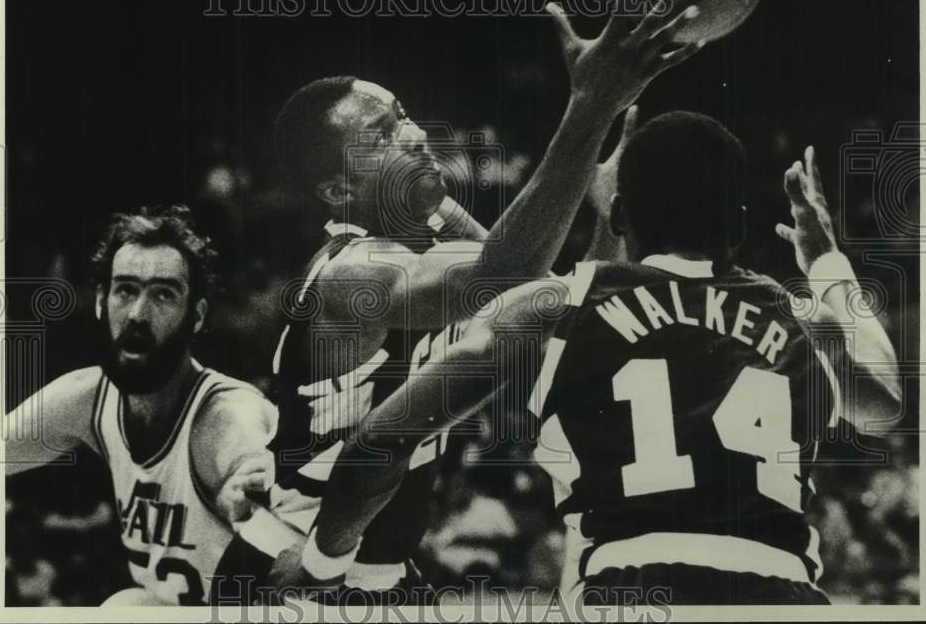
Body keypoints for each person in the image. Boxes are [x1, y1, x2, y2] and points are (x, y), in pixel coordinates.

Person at [274, 101, 900, 603]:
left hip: (629, 586)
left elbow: (383, 439)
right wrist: (827, 261)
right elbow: (884, 404)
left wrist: (324, 562)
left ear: (622, 213)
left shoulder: (560, 305)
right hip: (782, 587)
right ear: (738, 227)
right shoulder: (798, 316)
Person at [218, 0, 706, 603]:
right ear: (339, 192)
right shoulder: (354, 274)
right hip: (293, 568)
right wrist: (591, 105)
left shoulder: (432, 237)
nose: (416, 135)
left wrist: (608, 217)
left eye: (403, 114)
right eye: (382, 135)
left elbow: (559, 306)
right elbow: (500, 276)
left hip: (374, 574)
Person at [5, 206, 302, 606]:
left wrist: (254, 488)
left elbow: (261, 470)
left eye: (164, 294)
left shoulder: (226, 417)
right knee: (128, 604)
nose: (138, 314)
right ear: (100, 302)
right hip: (173, 608)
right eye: (125, 289)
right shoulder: (88, 397)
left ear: (195, 316)